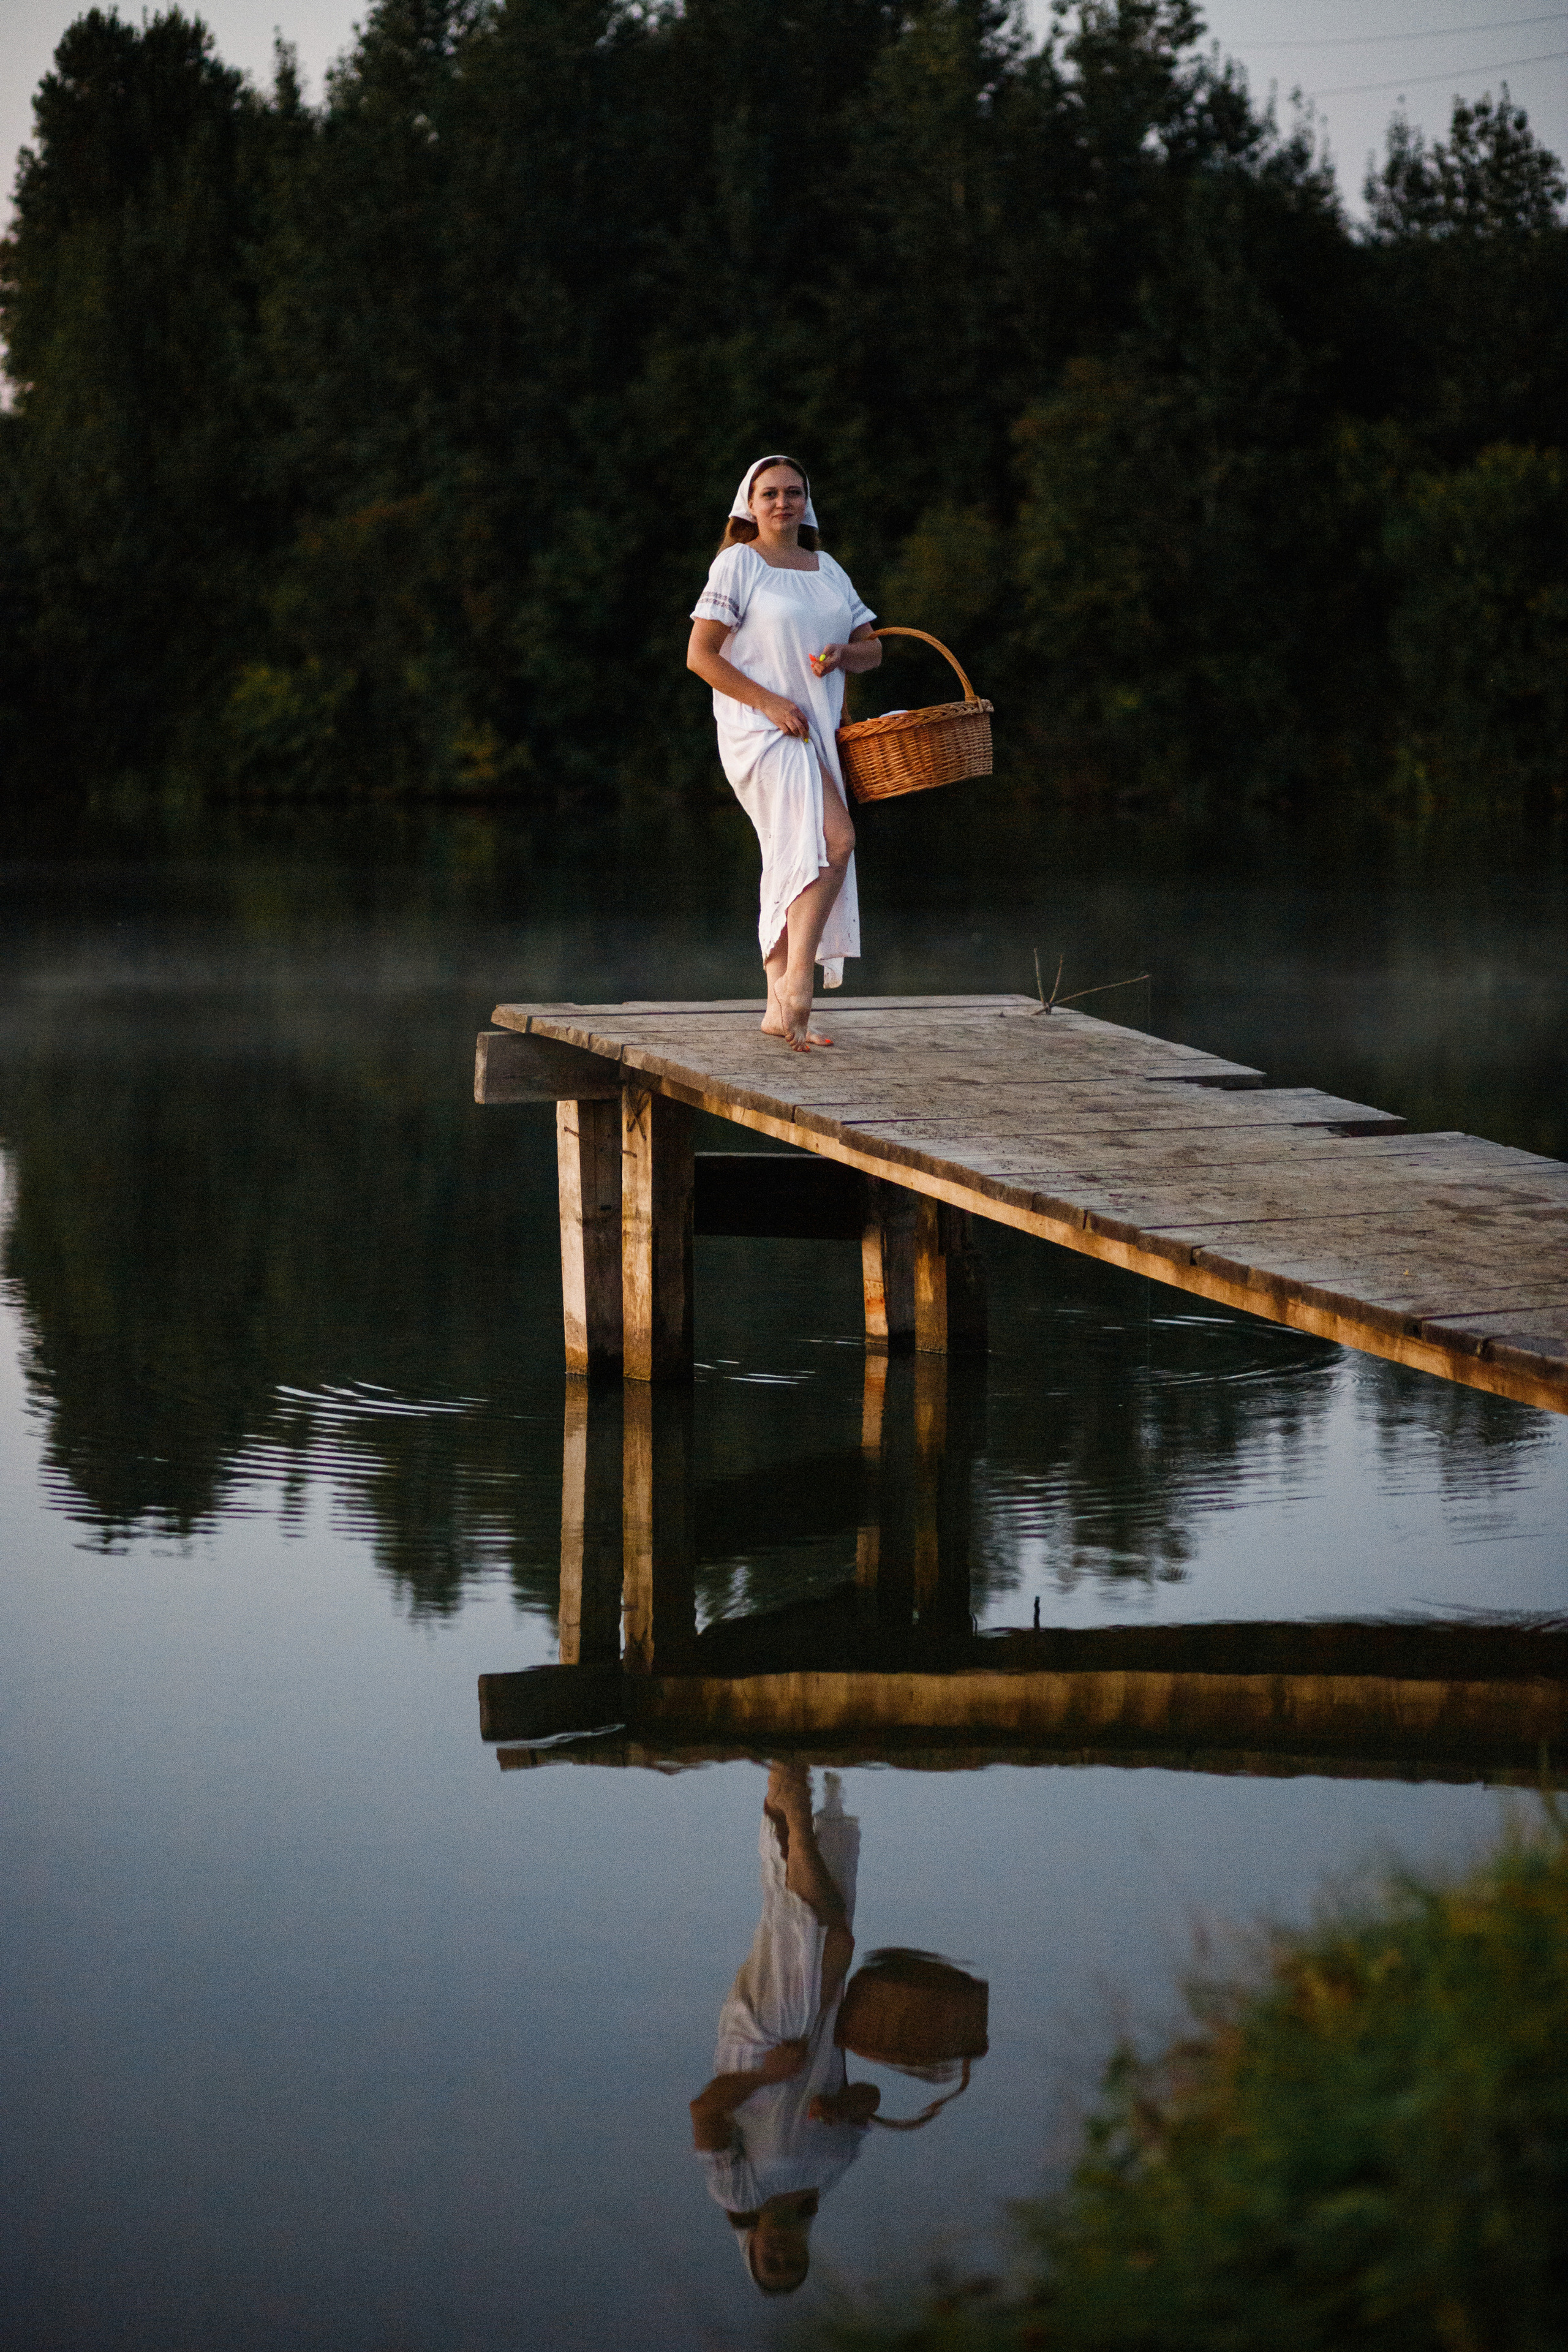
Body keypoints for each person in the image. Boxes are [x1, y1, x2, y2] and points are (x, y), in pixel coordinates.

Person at [687, 456, 883, 1052]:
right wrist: (770, 703)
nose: (781, 503)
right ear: (749, 503)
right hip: (762, 727)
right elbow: (701, 655)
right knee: (836, 840)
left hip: (813, 728)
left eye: (793, 492)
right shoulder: (738, 564)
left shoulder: (828, 569)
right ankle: (798, 983)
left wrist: (843, 655)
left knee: (790, 854)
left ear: (806, 501)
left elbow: (872, 648)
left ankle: (777, 1008)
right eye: (769, 493)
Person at [688, 1766, 881, 2296]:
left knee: (824, 1935)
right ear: (805, 2251)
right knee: (802, 1920)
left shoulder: (736, 2192)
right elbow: (870, 2101)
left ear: (752, 2250)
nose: (781, 2253)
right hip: (817, 2039)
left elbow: (704, 2110)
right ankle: (783, 1783)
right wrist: (844, 2107)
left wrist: (766, 2074)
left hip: (763, 2046)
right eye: (792, 2262)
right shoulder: (825, 2180)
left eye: (769, 2263)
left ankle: (795, 1817)